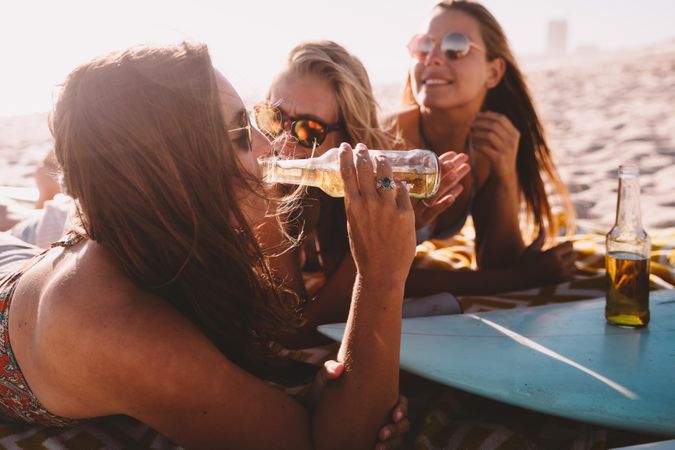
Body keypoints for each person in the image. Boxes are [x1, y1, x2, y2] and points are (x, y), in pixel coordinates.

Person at [0, 42, 414, 449]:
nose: (270, 145)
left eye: (253, 120)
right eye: (239, 133)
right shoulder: (118, 328)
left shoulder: (155, 232)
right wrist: (380, 275)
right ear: (173, 169)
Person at [256, 40, 470, 331]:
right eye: (272, 117)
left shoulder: (343, 187)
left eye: (308, 130)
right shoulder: (261, 194)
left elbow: (357, 287)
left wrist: (405, 229)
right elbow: (295, 330)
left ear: (345, 137)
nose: (281, 141)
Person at [384, 0, 578, 295]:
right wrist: (524, 277)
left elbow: (497, 261)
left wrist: (504, 175)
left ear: (494, 72)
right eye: (424, 46)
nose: (432, 58)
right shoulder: (388, 143)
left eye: (456, 46)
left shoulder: (487, 144)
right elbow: (370, 275)